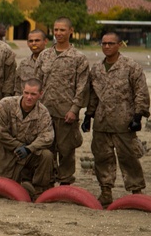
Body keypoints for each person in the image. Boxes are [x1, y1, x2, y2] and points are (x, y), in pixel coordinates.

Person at [83, 32, 150, 206]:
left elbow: (141, 92)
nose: (106, 47)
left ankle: (136, 190)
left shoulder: (130, 66)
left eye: (111, 43)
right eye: (104, 43)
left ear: (119, 45)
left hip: (124, 122)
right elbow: (93, 95)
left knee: (129, 157)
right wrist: (88, 116)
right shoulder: (96, 69)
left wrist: (138, 116)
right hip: (102, 122)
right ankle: (106, 191)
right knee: (102, 158)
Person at [36, 17, 89, 186]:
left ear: (71, 31)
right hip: (45, 111)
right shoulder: (45, 55)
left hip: (66, 112)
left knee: (66, 150)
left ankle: (66, 182)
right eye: (56, 30)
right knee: (46, 149)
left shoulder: (78, 58)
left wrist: (74, 109)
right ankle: (48, 181)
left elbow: (82, 86)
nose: (58, 33)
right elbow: (36, 81)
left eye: (62, 30)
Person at [0, 79, 55, 199]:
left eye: (33, 94)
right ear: (22, 91)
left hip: (27, 155)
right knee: (1, 193)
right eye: (26, 93)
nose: (29, 97)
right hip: (6, 155)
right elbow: (1, 133)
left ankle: (39, 189)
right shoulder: (5, 105)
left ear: (41, 94)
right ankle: (23, 184)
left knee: (46, 155)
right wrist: (19, 146)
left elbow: (47, 136)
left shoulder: (43, 113)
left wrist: (29, 149)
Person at [15, 28, 47, 94]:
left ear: (45, 41)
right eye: (31, 41)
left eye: (37, 40)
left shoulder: (52, 62)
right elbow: (17, 88)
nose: (33, 43)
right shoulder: (24, 64)